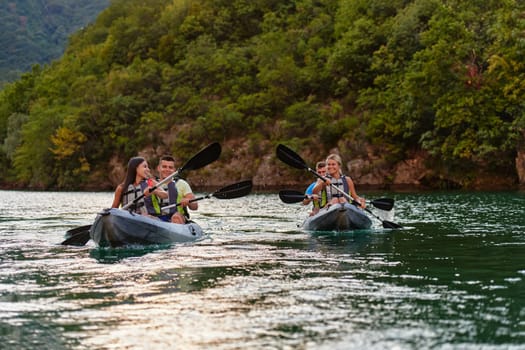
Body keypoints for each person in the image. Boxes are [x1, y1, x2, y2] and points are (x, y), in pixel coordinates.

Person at [154, 155, 198, 224]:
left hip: (177, 217)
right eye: (164, 167)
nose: (167, 170)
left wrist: (189, 201)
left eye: (170, 167)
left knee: (176, 217)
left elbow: (195, 207)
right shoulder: (152, 184)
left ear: (174, 170)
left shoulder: (182, 184)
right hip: (157, 218)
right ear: (158, 168)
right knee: (147, 216)